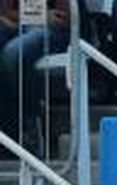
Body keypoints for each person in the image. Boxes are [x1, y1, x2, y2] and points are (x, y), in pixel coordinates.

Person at [0, 0, 71, 155]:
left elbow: (64, 17)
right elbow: (6, 13)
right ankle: (10, 133)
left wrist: (31, 18)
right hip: (25, 24)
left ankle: (31, 121)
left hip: (57, 31)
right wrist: (34, 17)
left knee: (13, 53)